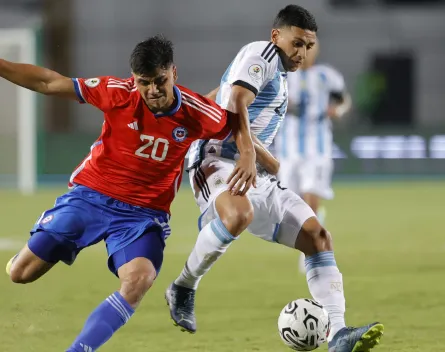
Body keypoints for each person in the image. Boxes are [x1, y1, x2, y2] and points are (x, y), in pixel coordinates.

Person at [1, 34, 258, 351]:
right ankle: (36, 244)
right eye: (144, 82)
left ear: (173, 73)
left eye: (160, 81)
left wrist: (248, 154)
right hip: (91, 195)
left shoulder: (196, 112)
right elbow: (48, 83)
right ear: (133, 79)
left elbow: (234, 121)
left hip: (143, 215)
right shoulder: (116, 92)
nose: (152, 91)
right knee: (20, 273)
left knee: (139, 280)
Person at [165, 5, 384, 352]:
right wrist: (254, 154)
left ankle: (338, 334)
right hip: (218, 160)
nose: (302, 52)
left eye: (308, 46)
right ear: (276, 36)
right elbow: (236, 100)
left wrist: (261, 158)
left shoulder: (280, 74)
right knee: (237, 215)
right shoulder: (262, 54)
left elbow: (220, 99)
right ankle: (184, 286)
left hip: (254, 168)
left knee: (318, 237)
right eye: (297, 43)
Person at [274, 41, 352, 274]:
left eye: (310, 46)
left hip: (317, 149)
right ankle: (315, 224)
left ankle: (311, 252)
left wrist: (337, 111)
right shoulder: (281, 77)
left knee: (311, 198)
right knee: (291, 207)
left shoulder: (327, 76)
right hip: (287, 149)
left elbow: (343, 100)